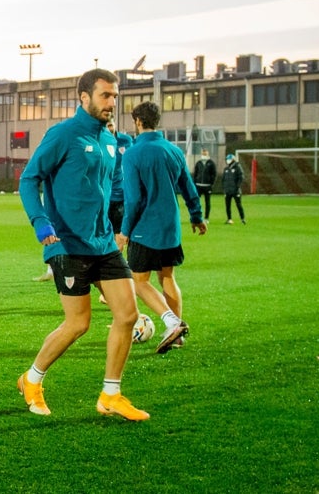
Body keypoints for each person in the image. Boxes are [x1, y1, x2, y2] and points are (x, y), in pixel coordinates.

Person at [17, 68, 150, 421]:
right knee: (78, 324)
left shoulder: (110, 140)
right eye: (105, 96)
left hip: (103, 243)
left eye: (115, 97)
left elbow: (113, 186)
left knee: (128, 314)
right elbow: (29, 179)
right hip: (67, 243)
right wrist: (41, 221)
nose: (112, 103)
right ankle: (31, 379)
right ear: (84, 97)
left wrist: (122, 223)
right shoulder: (62, 135)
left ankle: (110, 394)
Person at [117, 101, 206, 354]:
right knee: (167, 277)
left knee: (139, 280)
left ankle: (172, 323)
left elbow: (133, 199)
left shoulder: (133, 153)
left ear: (137, 122)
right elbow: (188, 188)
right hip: (171, 227)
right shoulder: (173, 150)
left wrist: (124, 232)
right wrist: (197, 216)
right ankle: (177, 337)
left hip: (146, 228)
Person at [192, 149, 217, 223]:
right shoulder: (198, 163)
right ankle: (196, 217)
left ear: (208, 154)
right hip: (198, 185)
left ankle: (206, 218)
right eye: (203, 154)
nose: (204, 155)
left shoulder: (211, 163)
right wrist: (195, 182)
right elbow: (195, 173)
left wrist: (211, 183)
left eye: (205, 154)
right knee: (196, 202)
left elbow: (214, 174)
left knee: (207, 202)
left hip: (207, 186)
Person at [222, 153, 247, 224]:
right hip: (228, 191)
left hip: (235, 191)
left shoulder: (238, 167)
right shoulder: (226, 169)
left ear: (233, 159)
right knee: (227, 206)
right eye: (227, 159)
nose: (228, 160)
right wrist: (224, 189)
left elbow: (241, 177)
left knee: (238, 205)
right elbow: (223, 180)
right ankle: (229, 219)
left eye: (229, 159)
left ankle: (242, 219)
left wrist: (237, 186)